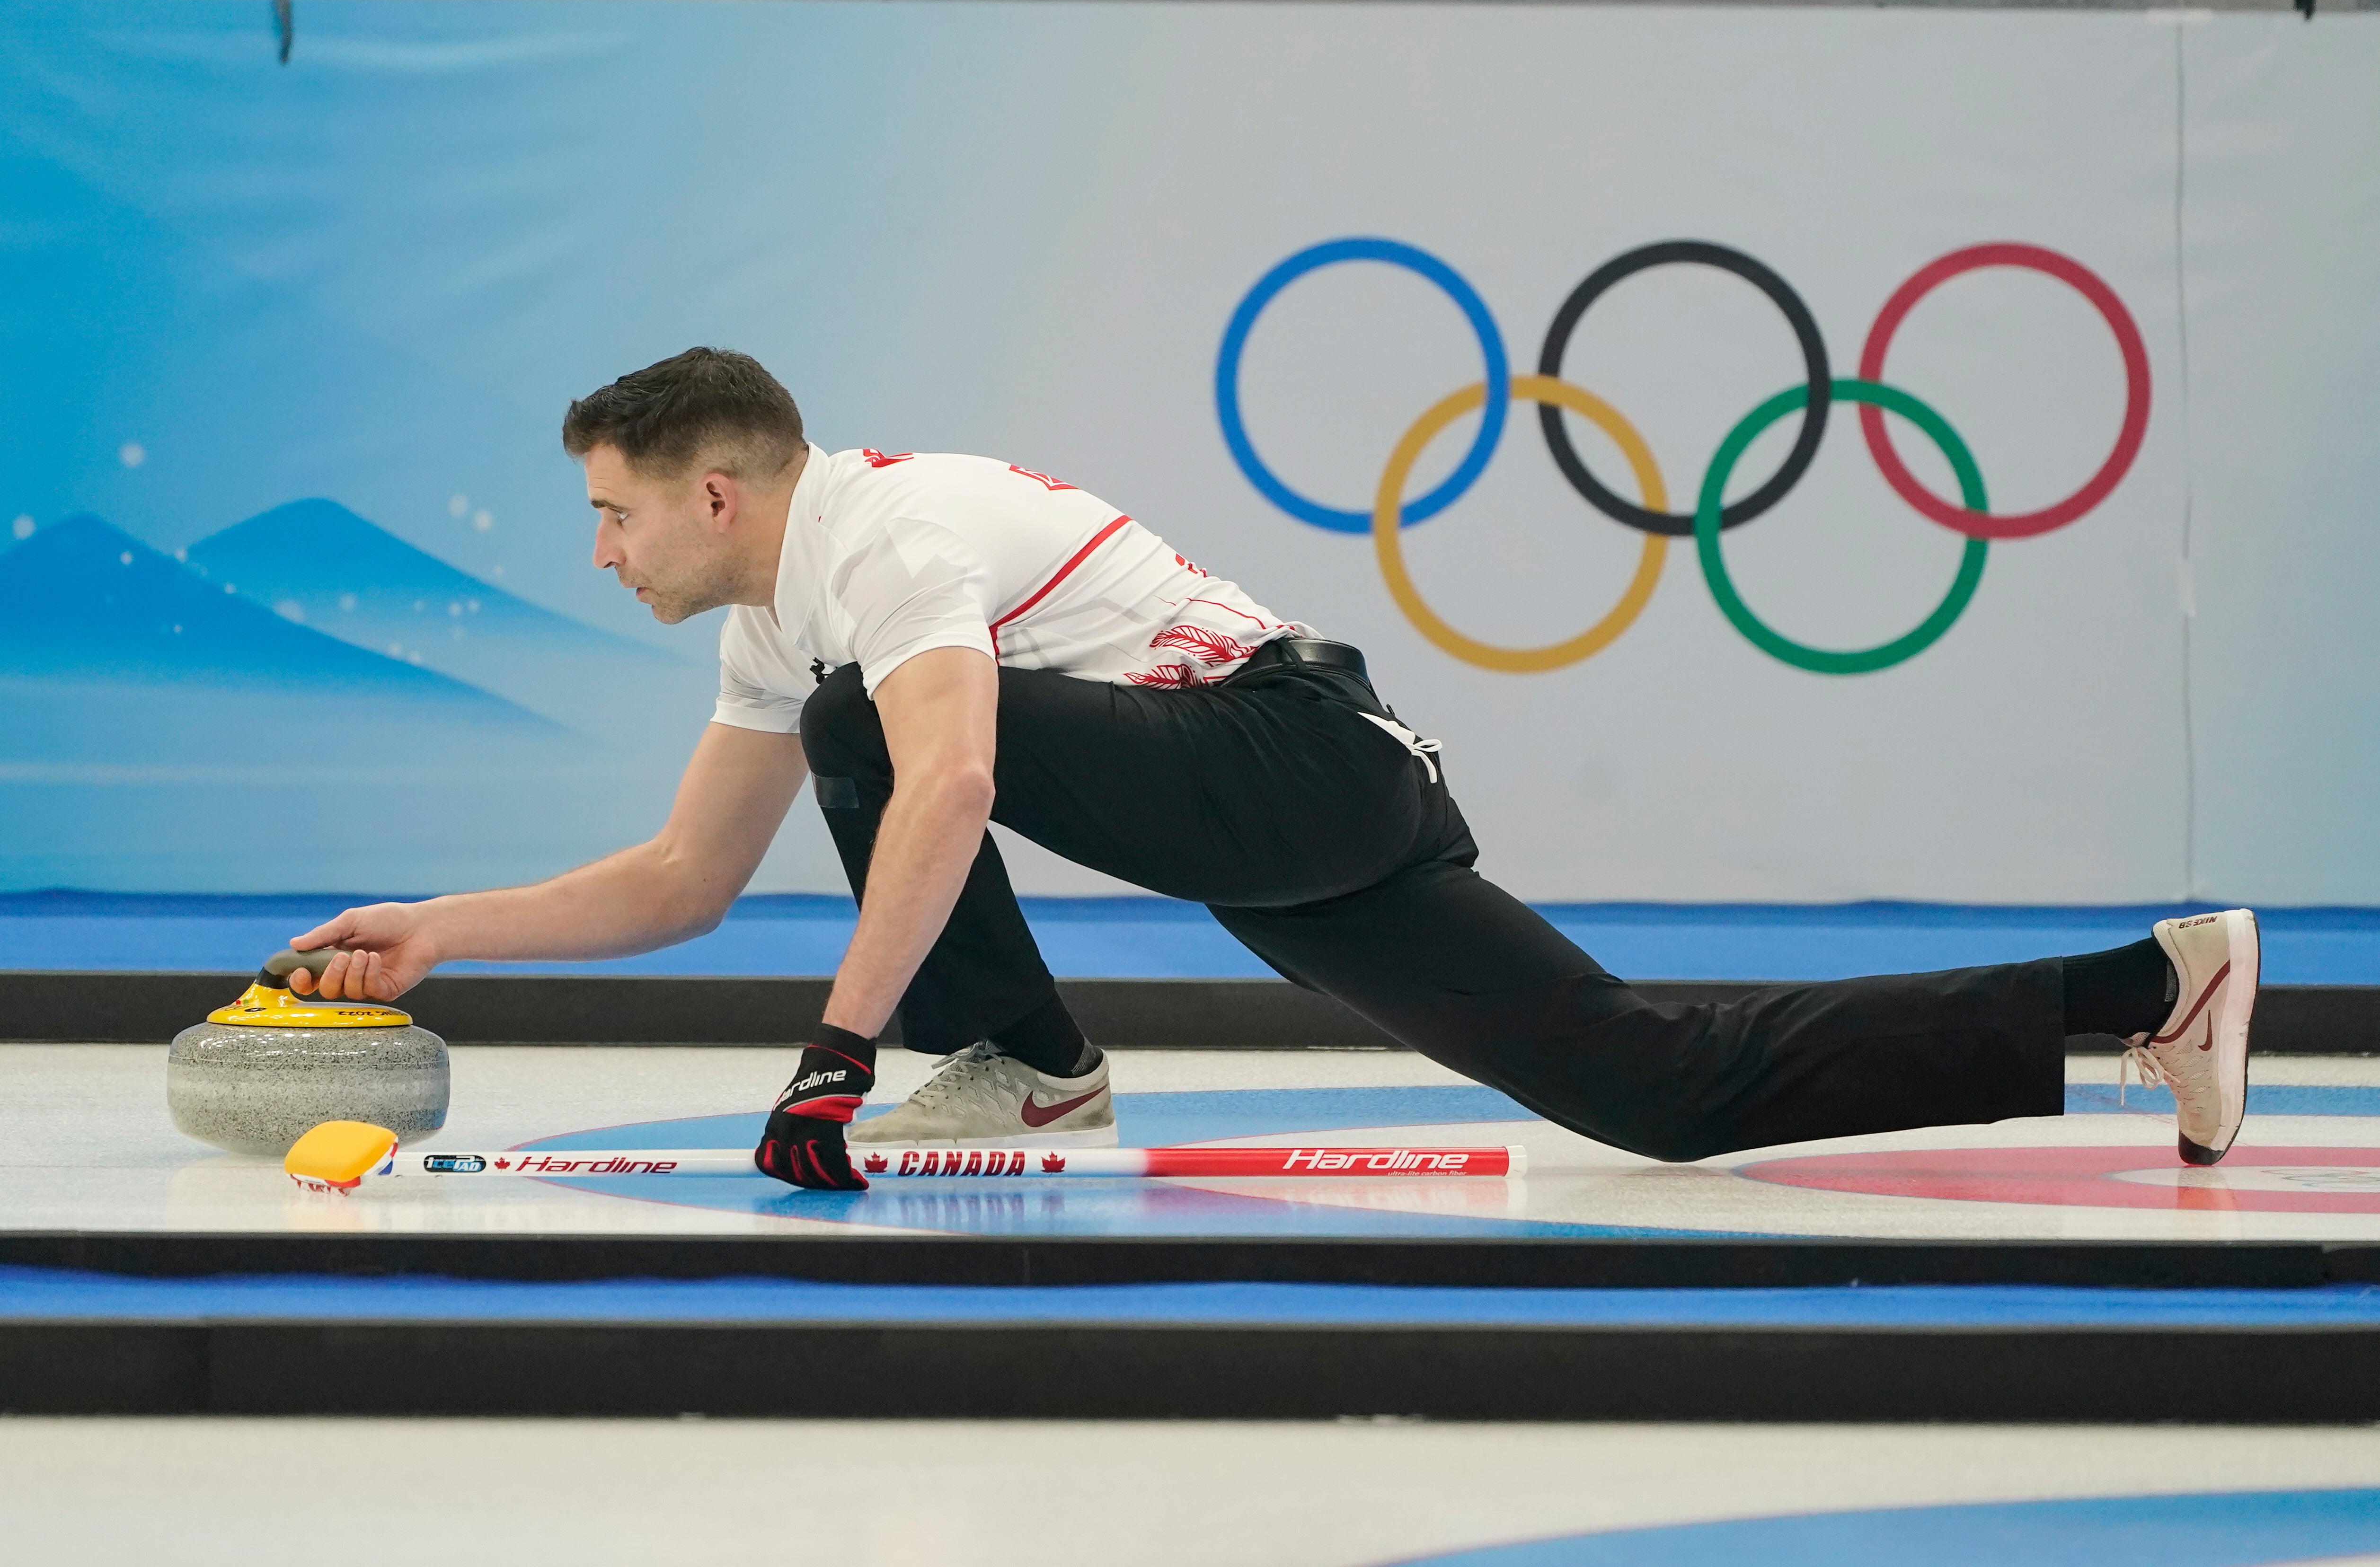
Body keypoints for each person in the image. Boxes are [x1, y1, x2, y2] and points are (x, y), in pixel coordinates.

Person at [292, 347, 2257, 1190]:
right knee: (1648, 1086)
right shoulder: (776, 604)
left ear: (714, 489)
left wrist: (839, 1053)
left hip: (1286, 754)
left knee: (872, 737)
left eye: (612, 514)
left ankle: (1037, 1068)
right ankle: (2147, 994)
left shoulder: (878, 541)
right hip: (1267, 803)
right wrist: (441, 931)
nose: (599, 550)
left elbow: (951, 783)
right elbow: (679, 880)